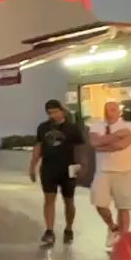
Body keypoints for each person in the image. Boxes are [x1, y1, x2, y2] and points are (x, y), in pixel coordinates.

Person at [29, 100, 84, 247]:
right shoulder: (43, 128)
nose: (52, 115)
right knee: (49, 200)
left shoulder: (72, 128)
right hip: (49, 168)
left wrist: (80, 169)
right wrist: (32, 166)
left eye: (55, 111)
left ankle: (69, 228)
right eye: (49, 113)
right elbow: (38, 147)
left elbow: (80, 150)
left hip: (68, 169)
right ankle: (49, 231)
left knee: (69, 201)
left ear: (62, 111)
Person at [87, 100, 131, 246]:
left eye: (113, 109)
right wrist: (116, 136)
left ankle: (123, 239)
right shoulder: (96, 125)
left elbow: (121, 145)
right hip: (103, 171)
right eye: (107, 109)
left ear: (119, 111)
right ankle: (112, 227)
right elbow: (95, 142)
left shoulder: (129, 126)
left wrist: (103, 143)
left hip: (125, 171)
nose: (109, 112)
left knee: (123, 206)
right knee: (99, 203)